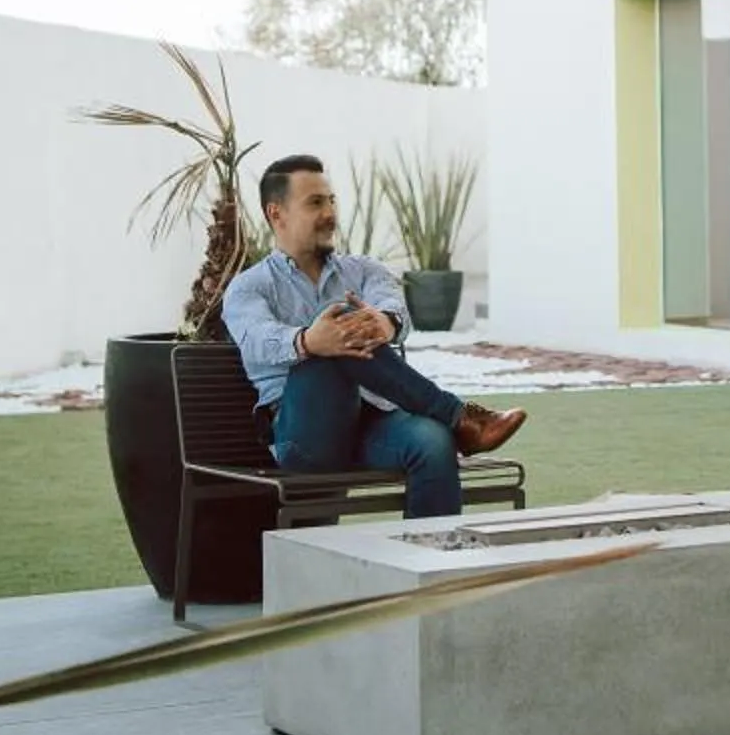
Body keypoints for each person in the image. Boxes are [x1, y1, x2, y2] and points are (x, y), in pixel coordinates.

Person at [220, 153, 526, 520]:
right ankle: (458, 417)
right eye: (315, 203)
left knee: (431, 442)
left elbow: (393, 304)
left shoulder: (364, 270)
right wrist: (308, 341)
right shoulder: (248, 288)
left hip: (373, 421)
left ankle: (429, 564)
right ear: (276, 214)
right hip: (305, 437)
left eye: (331, 201)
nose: (330, 213)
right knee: (340, 330)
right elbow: (255, 338)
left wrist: (386, 323)